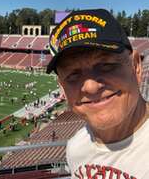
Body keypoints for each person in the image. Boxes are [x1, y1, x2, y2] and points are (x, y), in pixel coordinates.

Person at [47, 9, 149, 178]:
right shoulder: (76, 148)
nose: (91, 87)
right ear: (63, 88)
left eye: (106, 65)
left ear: (136, 67)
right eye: (73, 75)